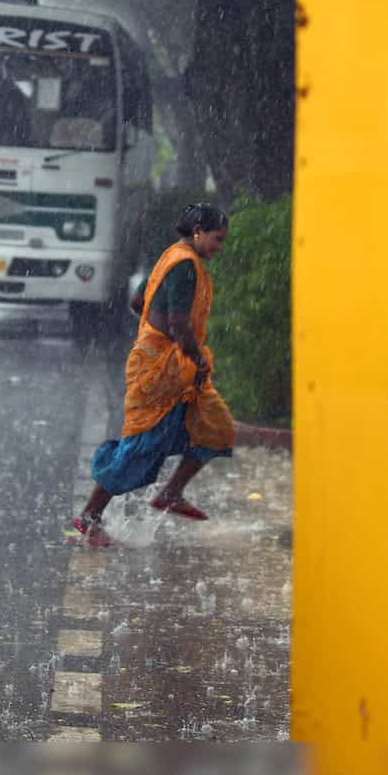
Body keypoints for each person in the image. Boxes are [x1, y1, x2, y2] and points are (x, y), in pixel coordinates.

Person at [71, 203, 235, 547]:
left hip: (165, 361)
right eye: (217, 239)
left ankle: (172, 492)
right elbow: (178, 323)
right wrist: (194, 357)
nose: (220, 247)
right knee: (142, 446)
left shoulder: (170, 257)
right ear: (198, 232)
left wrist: (154, 330)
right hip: (164, 366)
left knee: (214, 425)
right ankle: (90, 514)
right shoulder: (186, 267)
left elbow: (136, 301)